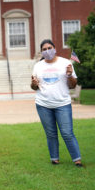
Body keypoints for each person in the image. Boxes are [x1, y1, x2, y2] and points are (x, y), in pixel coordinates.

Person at [31, 39, 83, 167]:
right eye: (44, 49)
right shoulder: (38, 66)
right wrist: (34, 84)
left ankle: (77, 160)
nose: (47, 51)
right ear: (41, 52)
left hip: (62, 104)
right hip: (43, 104)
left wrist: (70, 75)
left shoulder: (65, 63)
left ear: (55, 49)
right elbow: (34, 86)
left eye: (49, 48)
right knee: (51, 134)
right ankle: (54, 159)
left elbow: (72, 85)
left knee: (67, 133)